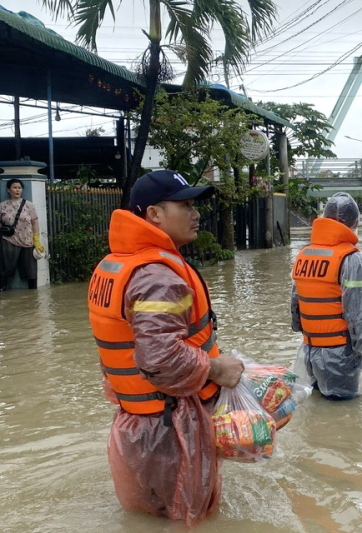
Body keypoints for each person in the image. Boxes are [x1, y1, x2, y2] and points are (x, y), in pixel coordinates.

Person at [87, 170, 244, 526]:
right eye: (185, 205)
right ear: (154, 214)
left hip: (139, 421)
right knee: (186, 516)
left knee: (154, 516)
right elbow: (162, 358)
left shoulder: (118, 265)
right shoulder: (156, 276)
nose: (196, 213)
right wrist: (221, 370)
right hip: (170, 426)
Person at [291, 192, 362, 400]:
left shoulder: (304, 255)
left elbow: (295, 310)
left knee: (318, 414)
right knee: (345, 418)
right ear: (354, 222)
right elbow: (360, 315)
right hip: (339, 357)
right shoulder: (351, 260)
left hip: (308, 353)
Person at [0, 179, 45, 290]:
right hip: (9, 240)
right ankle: (2, 290)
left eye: (19, 188)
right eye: (14, 187)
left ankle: (33, 296)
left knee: (30, 270)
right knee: (6, 268)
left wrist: (36, 239)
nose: (17, 190)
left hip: (27, 240)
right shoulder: (2, 205)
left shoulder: (29, 205)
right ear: (8, 190)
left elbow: (35, 222)